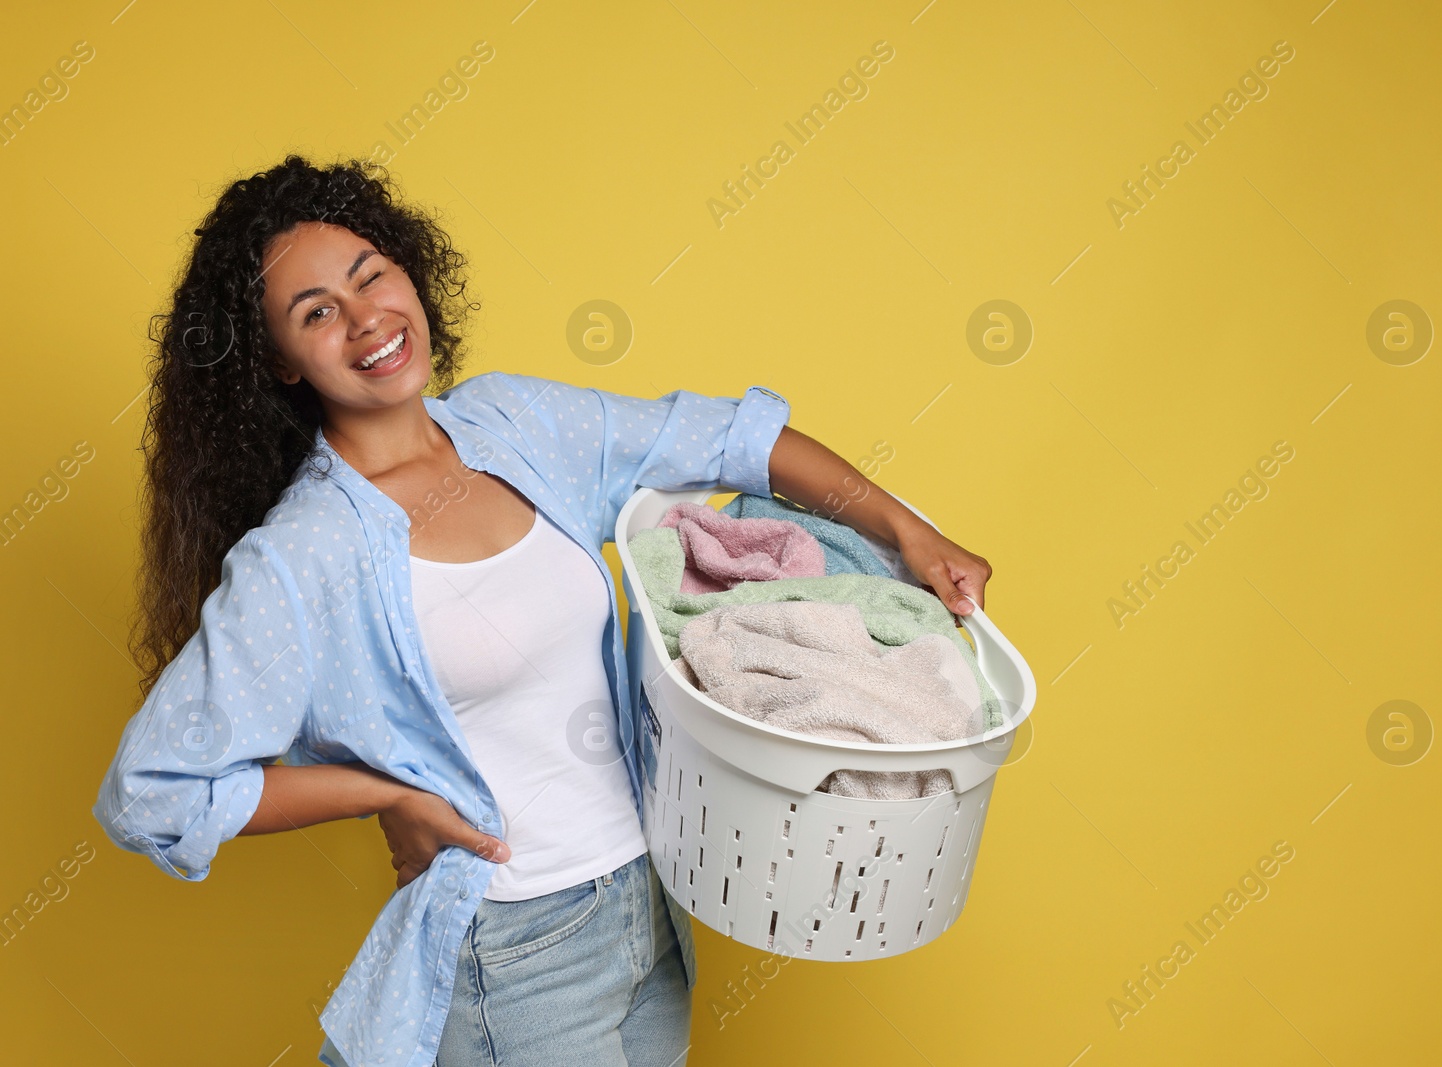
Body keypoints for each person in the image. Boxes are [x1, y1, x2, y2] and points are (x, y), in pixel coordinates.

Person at [91, 154, 992, 1067]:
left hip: (651, 898)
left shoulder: (516, 423)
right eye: (316, 312)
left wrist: (907, 531)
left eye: (371, 276)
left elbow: (729, 437)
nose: (367, 319)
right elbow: (152, 791)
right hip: (516, 950)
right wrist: (386, 794)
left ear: (409, 269)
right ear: (277, 360)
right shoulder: (303, 554)